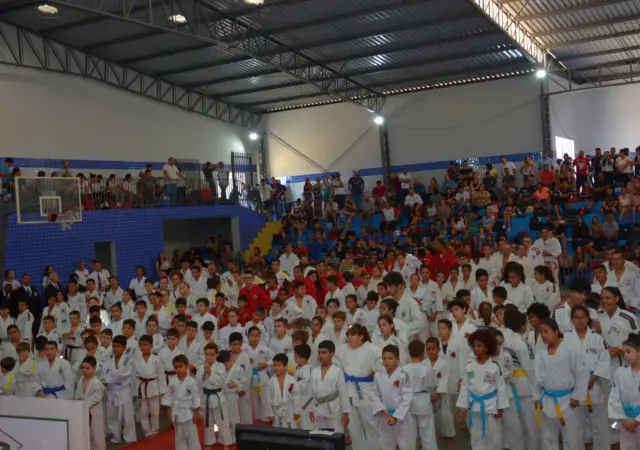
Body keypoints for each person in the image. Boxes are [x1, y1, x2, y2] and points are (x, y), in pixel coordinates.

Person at [535, 318, 589, 450]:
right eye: (541, 332)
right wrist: (536, 397)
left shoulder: (571, 349)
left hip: (568, 399)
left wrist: (577, 396)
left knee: (572, 438)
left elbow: (582, 373)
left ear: (556, 331)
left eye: (546, 331)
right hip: (547, 399)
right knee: (547, 437)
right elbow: (536, 380)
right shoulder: (541, 354)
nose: (543, 335)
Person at [564, 305, 610, 450]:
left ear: (588, 318)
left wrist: (593, 378)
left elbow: (604, 360)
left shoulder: (597, 338)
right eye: (577, 317)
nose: (580, 320)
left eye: (583, 317)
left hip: (593, 384)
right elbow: (562, 362)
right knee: (574, 426)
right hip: (573, 387)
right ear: (572, 319)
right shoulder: (565, 338)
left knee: (599, 424)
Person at [335, 324, 382, 450]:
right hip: (348, 389)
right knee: (353, 426)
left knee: (371, 424)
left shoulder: (373, 349)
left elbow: (381, 363)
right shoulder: (342, 349)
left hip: (366, 390)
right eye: (348, 335)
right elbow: (336, 364)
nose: (349, 338)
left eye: (352, 335)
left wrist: (373, 370)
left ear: (361, 336)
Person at [502, 310, 539, 450]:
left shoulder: (502, 340)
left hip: (508, 389)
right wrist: (537, 391)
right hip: (524, 389)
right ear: (522, 326)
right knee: (531, 427)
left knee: (513, 429)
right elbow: (530, 368)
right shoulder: (522, 343)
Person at [371, 344, 415, 450]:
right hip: (385, 416)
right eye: (384, 358)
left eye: (390, 358)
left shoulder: (403, 375)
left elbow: (407, 398)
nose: (386, 361)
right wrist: (383, 410)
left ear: (398, 360)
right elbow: (374, 395)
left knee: (405, 445)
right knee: (386, 444)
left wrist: (395, 416)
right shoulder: (378, 375)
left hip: (400, 417)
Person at [196, 343, 233, 450]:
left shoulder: (220, 366)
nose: (209, 357)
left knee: (222, 422)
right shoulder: (201, 367)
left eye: (212, 354)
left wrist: (211, 373)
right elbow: (199, 383)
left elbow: (221, 382)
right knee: (208, 422)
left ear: (217, 355)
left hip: (218, 398)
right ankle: (209, 443)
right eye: (207, 354)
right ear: (204, 355)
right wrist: (204, 374)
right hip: (206, 397)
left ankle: (226, 443)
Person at [101, 335, 136, 444]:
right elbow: (103, 375)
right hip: (111, 391)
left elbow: (123, 373)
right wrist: (114, 375)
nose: (115, 349)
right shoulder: (108, 360)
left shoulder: (128, 359)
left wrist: (111, 375)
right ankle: (116, 437)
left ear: (124, 348)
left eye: (118, 347)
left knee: (127, 417)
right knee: (112, 416)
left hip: (124, 391)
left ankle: (129, 438)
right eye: (114, 346)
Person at [308, 340, 350, 432]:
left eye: (324, 353)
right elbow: (311, 392)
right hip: (318, 408)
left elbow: (343, 393)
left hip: (334, 408)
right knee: (319, 434)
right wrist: (311, 409)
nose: (321, 355)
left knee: (336, 434)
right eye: (319, 353)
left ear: (331, 354)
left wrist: (345, 413)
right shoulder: (315, 371)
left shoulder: (338, 371)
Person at [162, 354, 202, 450]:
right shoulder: (172, 381)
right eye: (176, 367)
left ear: (187, 366)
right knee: (179, 438)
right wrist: (169, 414)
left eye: (180, 366)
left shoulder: (191, 382)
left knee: (192, 437)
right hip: (176, 413)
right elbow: (167, 398)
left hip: (189, 412)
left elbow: (196, 398)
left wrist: (196, 413)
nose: (178, 369)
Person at [609, 332, 640, 449]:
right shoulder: (619, 372)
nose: (625, 355)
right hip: (625, 421)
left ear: (639, 352)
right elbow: (614, 397)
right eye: (623, 352)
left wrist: (636, 421)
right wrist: (623, 419)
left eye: (628, 352)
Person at [404, 339, 437, 450]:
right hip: (423, 399)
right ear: (423, 353)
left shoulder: (404, 369)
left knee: (410, 434)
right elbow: (432, 385)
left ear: (409, 353)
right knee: (427, 432)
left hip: (408, 401)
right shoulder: (427, 367)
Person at [134, 335, 166, 437]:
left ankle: (155, 429)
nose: (143, 347)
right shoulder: (136, 359)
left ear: (151, 346)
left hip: (153, 386)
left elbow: (161, 375)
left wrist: (162, 391)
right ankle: (146, 431)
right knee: (143, 411)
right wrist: (135, 391)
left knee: (154, 410)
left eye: (145, 345)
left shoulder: (156, 359)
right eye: (141, 345)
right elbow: (134, 376)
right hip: (141, 386)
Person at [75, 356, 106, 450]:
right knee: (85, 433)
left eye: (87, 368)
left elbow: (97, 396)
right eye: (82, 368)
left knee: (96, 434)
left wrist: (85, 403)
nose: (84, 370)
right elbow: (77, 393)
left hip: (94, 411)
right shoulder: (80, 380)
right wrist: (77, 401)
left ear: (94, 368)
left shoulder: (97, 382)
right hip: (83, 411)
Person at [265, 353, 300, 428]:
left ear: (286, 366)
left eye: (279, 365)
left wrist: (297, 411)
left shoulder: (292, 380)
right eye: (274, 365)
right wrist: (270, 414)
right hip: (277, 411)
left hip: (289, 411)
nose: (276, 367)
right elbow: (268, 398)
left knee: (291, 431)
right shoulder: (271, 381)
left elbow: (296, 396)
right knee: (277, 433)